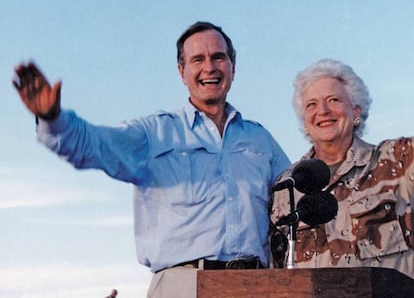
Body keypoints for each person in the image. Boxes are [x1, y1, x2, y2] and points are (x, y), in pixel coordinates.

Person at [12, 21, 290, 297]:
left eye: (219, 57)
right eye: (198, 59)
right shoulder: (154, 134)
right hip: (181, 287)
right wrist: (53, 119)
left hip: (255, 286)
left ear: (233, 66)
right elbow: (94, 145)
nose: (210, 67)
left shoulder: (260, 141)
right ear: (182, 72)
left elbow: (297, 200)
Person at [269, 58, 414, 279]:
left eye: (334, 100)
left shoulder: (398, 159)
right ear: (304, 122)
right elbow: (276, 273)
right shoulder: (286, 186)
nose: (323, 111)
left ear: (356, 110)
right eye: (311, 105)